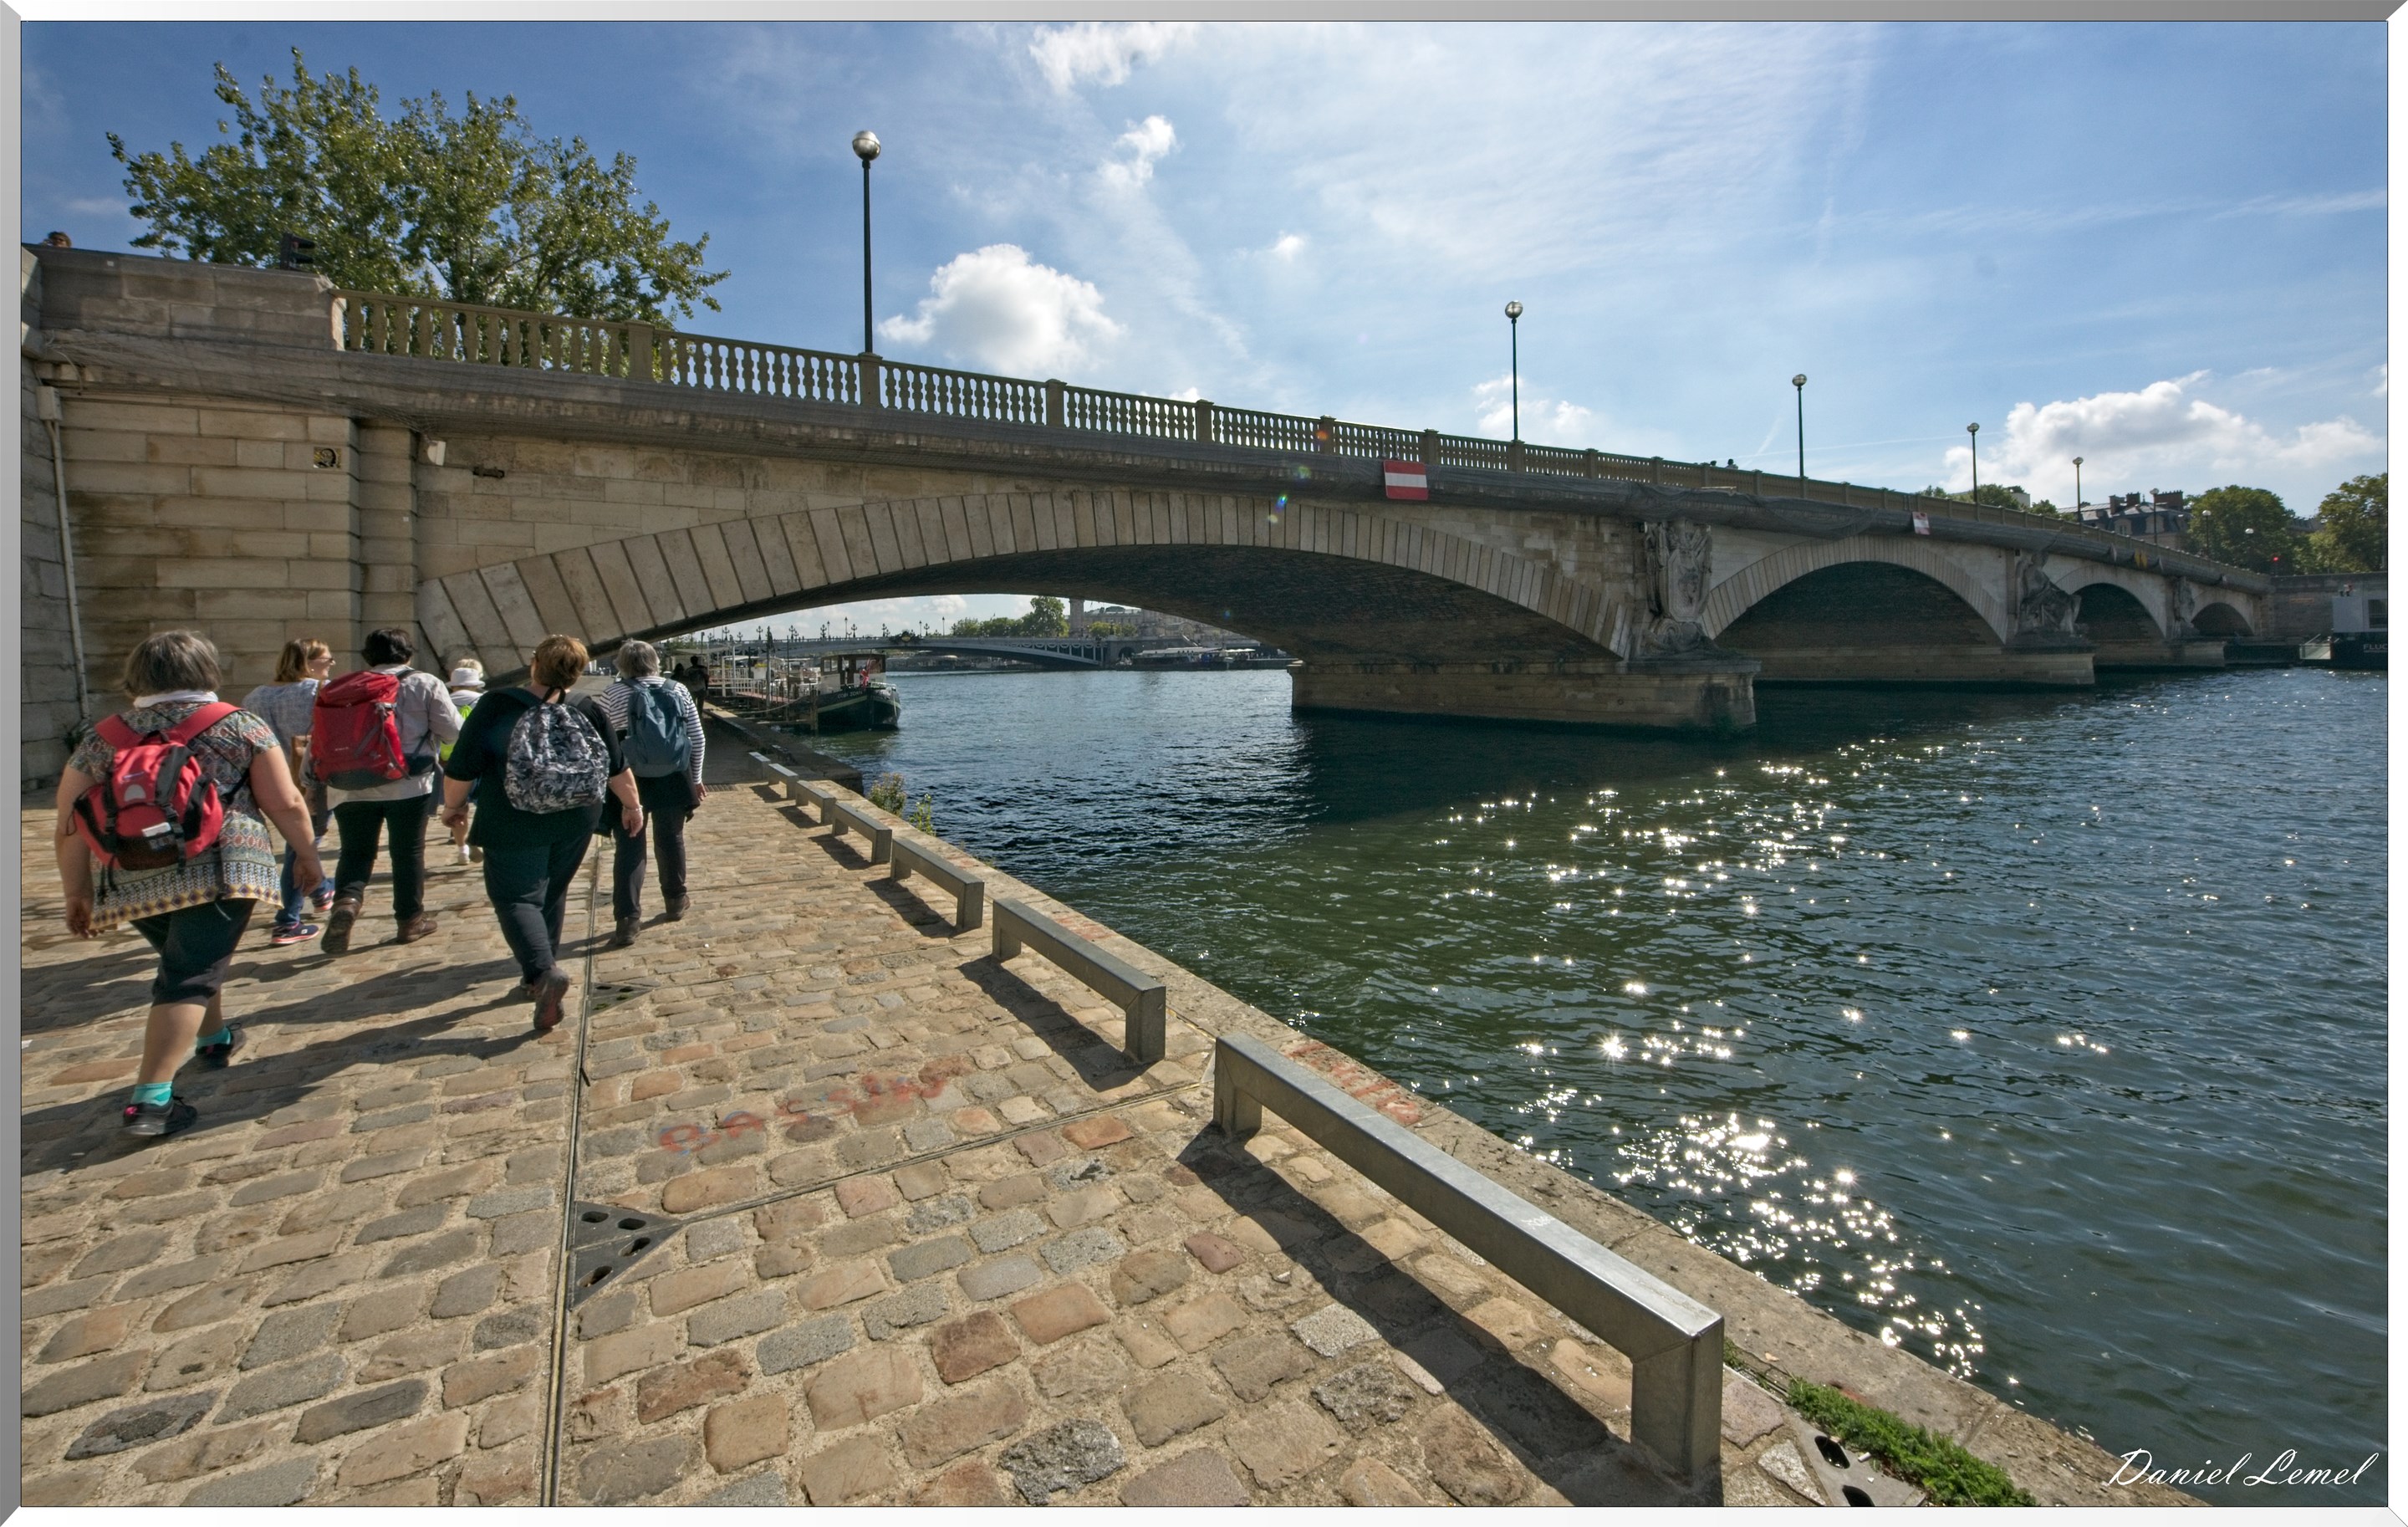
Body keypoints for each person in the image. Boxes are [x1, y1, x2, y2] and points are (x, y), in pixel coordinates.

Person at [55, 631, 324, 1140]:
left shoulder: (103, 736)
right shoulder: (238, 724)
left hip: (133, 876)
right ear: (206, 672)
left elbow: (68, 821)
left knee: (191, 960)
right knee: (189, 974)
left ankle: (215, 1036)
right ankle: (151, 1100)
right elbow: (286, 802)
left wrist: (78, 891)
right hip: (222, 870)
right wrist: (307, 858)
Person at [440, 635, 643, 1032]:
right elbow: (617, 766)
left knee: (515, 896)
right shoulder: (586, 707)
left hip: (514, 817)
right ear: (578, 672)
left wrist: (453, 807)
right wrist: (633, 807)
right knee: (551, 892)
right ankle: (540, 971)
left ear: (534, 663)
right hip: (578, 816)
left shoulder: (498, 706)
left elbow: (463, 765)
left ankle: (542, 972)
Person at [320, 628, 461, 954]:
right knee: (407, 852)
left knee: (355, 852)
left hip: (349, 785)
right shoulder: (424, 683)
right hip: (407, 784)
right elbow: (453, 731)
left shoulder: (342, 688)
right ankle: (410, 920)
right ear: (408, 654)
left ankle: (347, 903)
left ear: (368, 657)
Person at [594, 641, 708, 947]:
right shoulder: (677, 690)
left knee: (630, 846)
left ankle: (628, 920)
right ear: (655, 662)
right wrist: (695, 778)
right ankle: (675, 900)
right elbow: (697, 738)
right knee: (671, 838)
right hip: (673, 775)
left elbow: (602, 744)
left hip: (629, 776)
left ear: (621, 664)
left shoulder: (613, 693)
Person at [240, 637, 335, 946]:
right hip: (311, 778)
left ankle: (322, 890)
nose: (331, 664)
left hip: (271, 779)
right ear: (308, 663)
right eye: (326, 659)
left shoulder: (254, 697)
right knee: (300, 844)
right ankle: (287, 921)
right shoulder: (316, 691)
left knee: (302, 841)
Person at [443, 659, 486, 864]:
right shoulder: (484, 700)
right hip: (479, 759)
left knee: (457, 807)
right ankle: (478, 837)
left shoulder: (445, 700)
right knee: (484, 803)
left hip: (449, 759)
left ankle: (462, 850)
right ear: (476, 683)